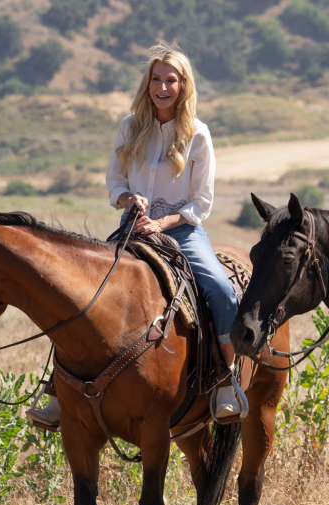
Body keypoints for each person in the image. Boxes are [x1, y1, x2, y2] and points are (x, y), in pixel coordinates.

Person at [27, 43, 243, 428]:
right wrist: (129, 198)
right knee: (79, 289)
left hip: (182, 231)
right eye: (156, 80)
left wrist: (161, 223)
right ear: (147, 85)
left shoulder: (198, 135)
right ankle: (60, 389)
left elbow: (201, 203)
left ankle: (227, 379)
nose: (162, 87)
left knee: (220, 289)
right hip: (132, 228)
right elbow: (114, 183)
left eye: (171, 80)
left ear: (183, 85)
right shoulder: (130, 127)